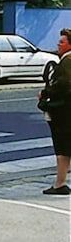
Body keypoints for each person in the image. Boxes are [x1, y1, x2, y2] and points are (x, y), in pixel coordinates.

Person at [40, 27, 71, 195]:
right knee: (65, 149)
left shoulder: (67, 61)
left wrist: (46, 93)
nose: (58, 44)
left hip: (64, 112)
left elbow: (64, 85)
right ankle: (60, 183)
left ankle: (60, 184)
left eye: (62, 42)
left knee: (62, 148)